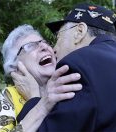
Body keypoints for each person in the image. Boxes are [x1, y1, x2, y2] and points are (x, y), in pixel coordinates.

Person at [18, 3, 116, 131]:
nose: (53, 49)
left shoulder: (79, 64)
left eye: (58, 37)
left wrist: (34, 99)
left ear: (79, 32)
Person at [0, 24, 83, 131]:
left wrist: (33, 98)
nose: (44, 47)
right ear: (16, 67)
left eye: (45, 42)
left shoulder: (71, 85)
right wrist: (39, 103)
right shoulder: (9, 97)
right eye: (30, 46)